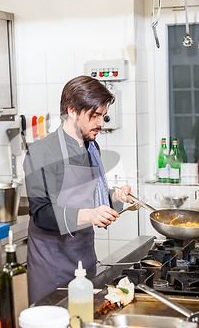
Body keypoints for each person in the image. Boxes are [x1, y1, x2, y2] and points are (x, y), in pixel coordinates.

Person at [24, 75, 133, 304]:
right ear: (72, 111)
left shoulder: (91, 147)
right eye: (94, 116)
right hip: (52, 263)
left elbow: (92, 198)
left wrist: (116, 197)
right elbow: (41, 213)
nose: (101, 124)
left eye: (102, 116)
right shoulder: (41, 152)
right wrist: (90, 215)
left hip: (84, 257)